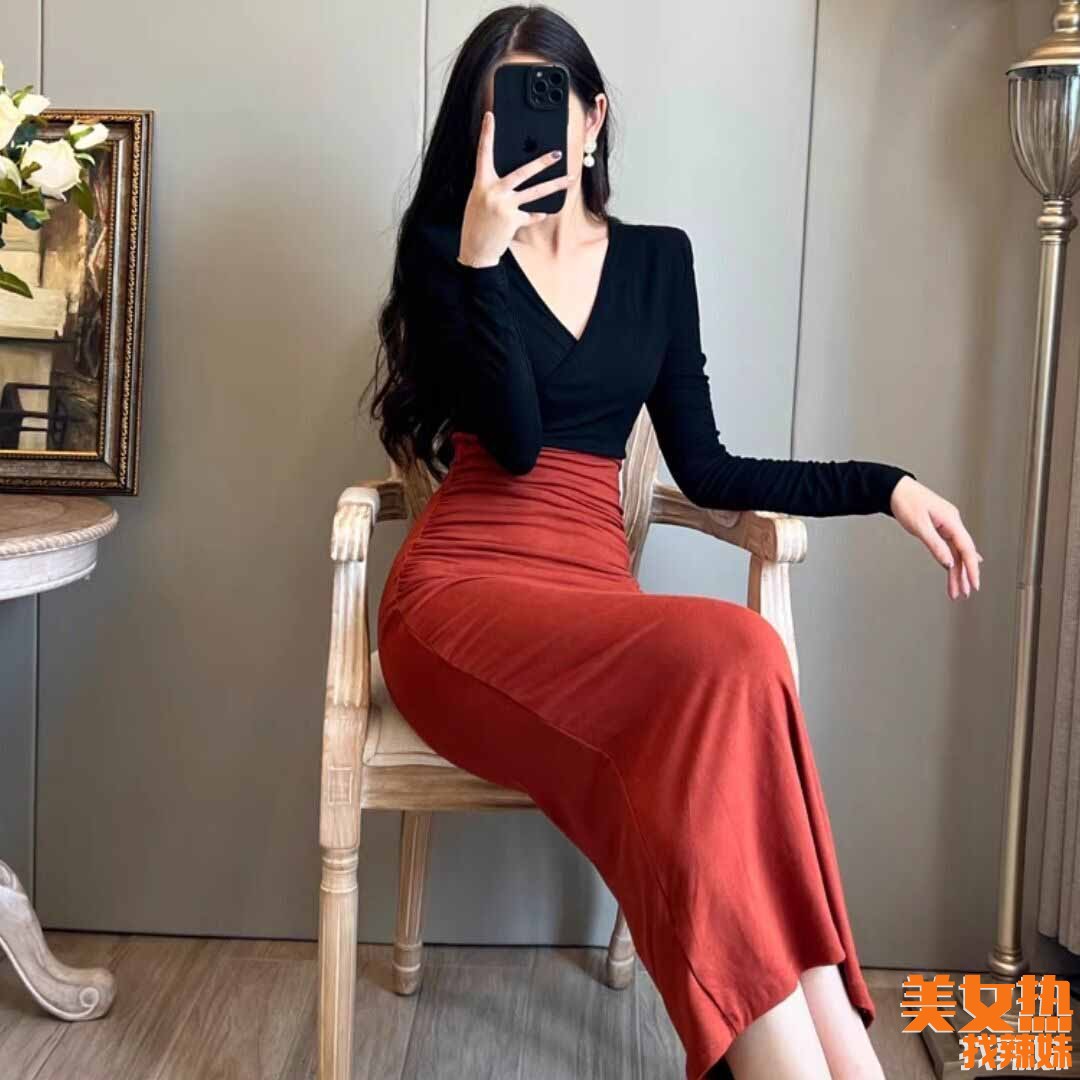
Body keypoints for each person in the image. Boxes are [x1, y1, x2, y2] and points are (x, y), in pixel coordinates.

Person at [360, 7, 981, 1079]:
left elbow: (711, 468)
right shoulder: (446, 253)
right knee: (736, 653)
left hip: (590, 595)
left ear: (593, 118)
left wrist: (887, 485)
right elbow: (514, 444)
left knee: (739, 689)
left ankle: (833, 1061)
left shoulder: (657, 262)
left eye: (547, 102)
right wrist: (482, 263)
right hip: (459, 601)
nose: (520, 129)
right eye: (494, 110)